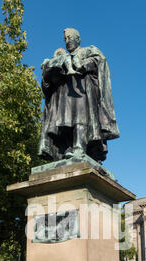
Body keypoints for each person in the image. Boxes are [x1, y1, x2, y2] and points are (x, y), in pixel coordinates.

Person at [38, 28, 120, 162]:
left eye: (70, 37)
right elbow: (47, 86)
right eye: (65, 39)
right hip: (63, 96)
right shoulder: (59, 57)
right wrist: (49, 74)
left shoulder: (87, 51)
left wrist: (83, 64)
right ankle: (67, 149)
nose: (67, 41)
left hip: (82, 92)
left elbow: (99, 61)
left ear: (78, 39)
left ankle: (79, 148)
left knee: (80, 120)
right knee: (65, 123)